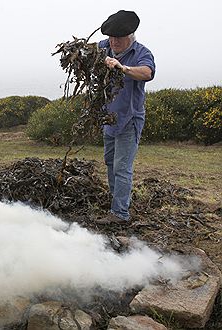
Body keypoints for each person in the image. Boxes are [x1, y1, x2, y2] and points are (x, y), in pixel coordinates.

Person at [94, 10, 156, 224]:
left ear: (130, 36)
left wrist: (123, 68)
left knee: (122, 167)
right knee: (110, 162)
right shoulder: (105, 47)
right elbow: (87, 52)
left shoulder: (141, 53)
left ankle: (120, 213)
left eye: (118, 38)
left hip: (129, 119)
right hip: (109, 119)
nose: (113, 42)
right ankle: (116, 204)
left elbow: (147, 73)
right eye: (111, 38)